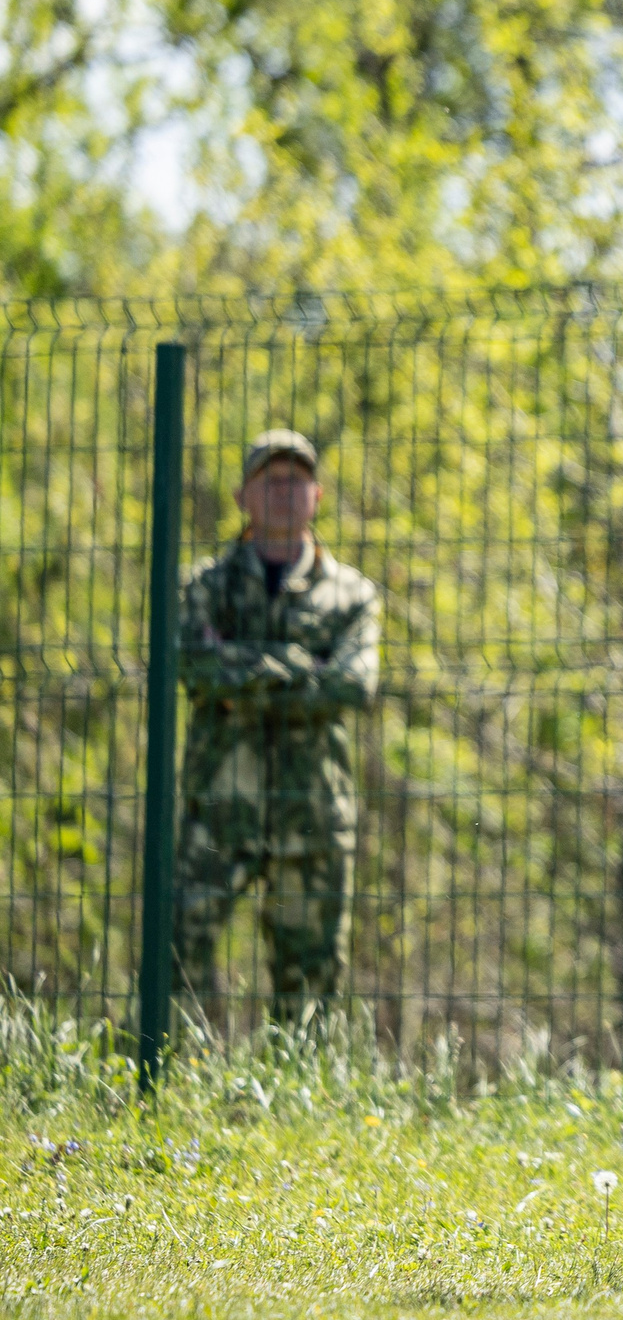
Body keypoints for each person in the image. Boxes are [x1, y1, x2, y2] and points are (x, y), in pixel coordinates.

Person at [174, 429, 381, 1015]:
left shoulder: (351, 595)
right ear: (243, 496)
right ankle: (177, 1079)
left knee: (311, 978)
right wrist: (300, 667)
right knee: (179, 951)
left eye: (297, 480)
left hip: (310, 812)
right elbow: (193, 666)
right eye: (271, 480)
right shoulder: (205, 586)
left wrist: (242, 673)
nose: (285, 491)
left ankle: (298, 1097)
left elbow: (355, 683)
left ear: (317, 496)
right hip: (218, 809)